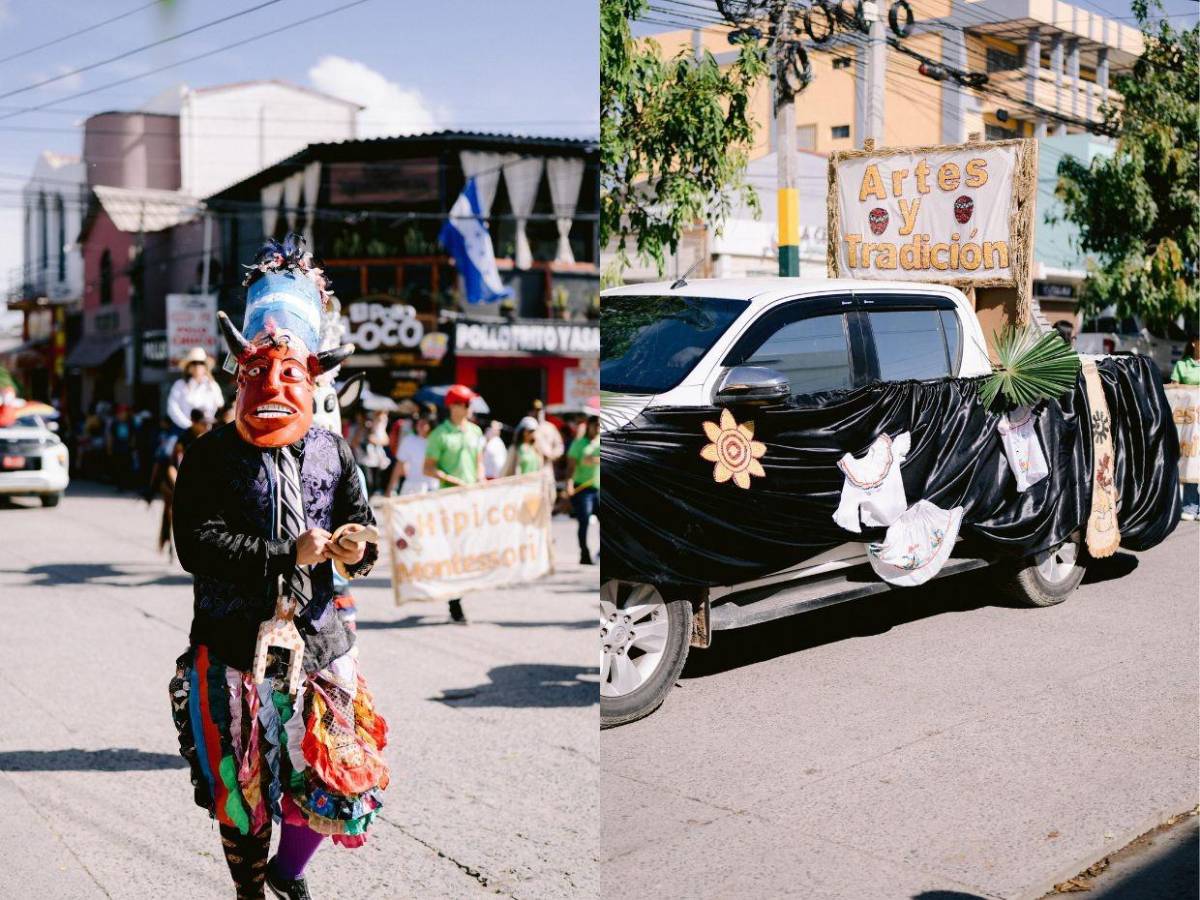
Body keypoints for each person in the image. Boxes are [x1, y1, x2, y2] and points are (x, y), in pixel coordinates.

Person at [169, 234, 388, 900]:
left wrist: (357, 547)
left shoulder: (332, 450)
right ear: (238, 377)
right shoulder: (209, 458)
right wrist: (281, 554)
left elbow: (366, 530)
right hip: (232, 650)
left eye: (288, 372)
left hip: (320, 646)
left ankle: (289, 872)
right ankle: (248, 888)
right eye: (256, 371)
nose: (271, 384)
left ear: (313, 378)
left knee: (330, 778)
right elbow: (195, 546)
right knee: (239, 794)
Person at [424, 384, 485, 623]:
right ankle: (455, 602)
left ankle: (456, 593)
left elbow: (478, 461)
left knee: (468, 548)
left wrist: (480, 479)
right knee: (454, 550)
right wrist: (453, 480)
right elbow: (428, 468)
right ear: (454, 406)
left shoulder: (476, 432)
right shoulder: (440, 434)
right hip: (448, 499)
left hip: (471, 498)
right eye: (466, 404)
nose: (470, 408)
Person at [566, 415, 600, 565]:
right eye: (596, 425)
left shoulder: (601, 442)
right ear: (589, 426)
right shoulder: (579, 444)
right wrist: (569, 483)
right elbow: (571, 467)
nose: (598, 429)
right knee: (584, 521)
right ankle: (584, 552)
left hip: (598, 488)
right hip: (583, 489)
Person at [1171, 339, 1200, 520]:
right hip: (1189, 423)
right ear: (1194, 343)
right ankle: (1190, 506)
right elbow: (1174, 392)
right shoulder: (1181, 365)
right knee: (1191, 460)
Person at [167, 347, 224, 433]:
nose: (197, 366)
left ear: (205, 367)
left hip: (208, 430)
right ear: (188, 367)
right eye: (194, 363)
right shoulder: (179, 385)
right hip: (184, 430)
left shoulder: (212, 385)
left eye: (201, 363)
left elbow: (220, 405)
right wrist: (189, 425)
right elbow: (172, 408)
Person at [388, 415, 437, 496]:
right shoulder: (409, 440)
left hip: (431, 488)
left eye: (424, 423)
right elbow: (399, 465)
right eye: (419, 422)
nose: (420, 425)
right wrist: (390, 488)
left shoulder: (436, 442)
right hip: (412, 487)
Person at [105, 404, 135, 491]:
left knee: (126, 467)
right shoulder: (115, 423)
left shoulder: (130, 422)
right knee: (118, 467)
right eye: (120, 413)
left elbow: (133, 436)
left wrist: (132, 446)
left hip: (127, 449)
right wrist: (109, 447)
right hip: (117, 448)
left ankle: (126, 485)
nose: (122, 414)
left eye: (123, 413)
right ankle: (119, 485)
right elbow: (111, 436)